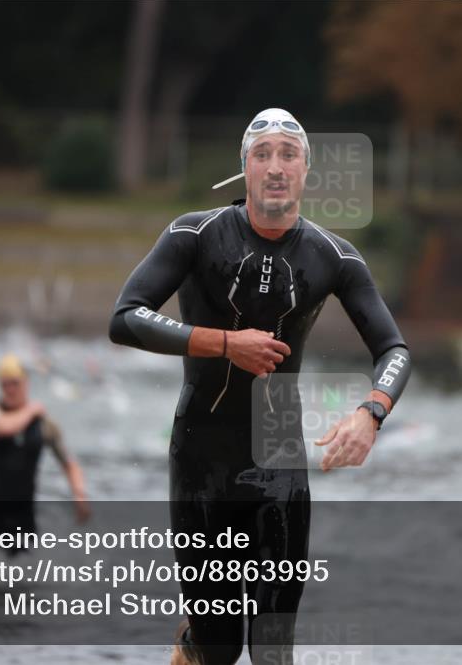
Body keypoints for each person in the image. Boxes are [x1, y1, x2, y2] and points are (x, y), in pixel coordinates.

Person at [108, 108, 411, 664]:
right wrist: (224, 343)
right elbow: (125, 317)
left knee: (273, 652)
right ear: (244, 167)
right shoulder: (193, 235)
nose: (276, 166)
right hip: (202, 458)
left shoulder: (334, 256)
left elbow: (394, 349)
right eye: (263, 154)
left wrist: (371, 412)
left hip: (279, 458)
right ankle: (194, 642)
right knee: (219, 653)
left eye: (288, 155)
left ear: (305, 171)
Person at [0, 353, 89, 553]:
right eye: (5, 384)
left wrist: (79, 495)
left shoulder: (44, 425)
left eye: (15, 383)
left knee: (23, 576)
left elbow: (69, 463)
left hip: (23, 514)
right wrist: (32, 409)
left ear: (25, 383)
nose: (9, 389)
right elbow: (3, 427)